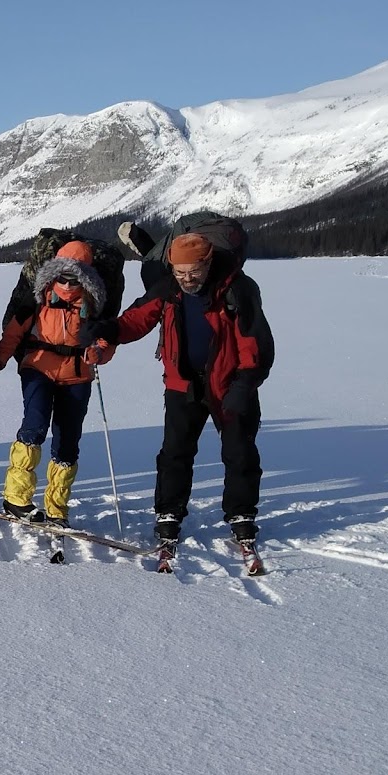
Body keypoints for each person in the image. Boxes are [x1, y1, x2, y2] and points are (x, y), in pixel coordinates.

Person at [85, 231, 275, 550]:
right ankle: (169, 513)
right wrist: (107, 330)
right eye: (180, 272)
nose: (187, 279)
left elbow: (256, 343)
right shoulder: (168, 289)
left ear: (208, 262)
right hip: (182, 383)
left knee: (239, 452)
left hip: (230, 383)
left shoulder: (237, 289)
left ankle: (241, 514)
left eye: (194, 271)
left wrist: (245, 383)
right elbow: (136, 320)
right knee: (175, 453)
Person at [0, 240, 115, 526]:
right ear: (53, 273)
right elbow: (13, 335)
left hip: (77, 375)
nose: (67, 283)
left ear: (86, 276)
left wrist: (99, 352)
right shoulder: (36, 299)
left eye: (74, 277)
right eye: (62, 276)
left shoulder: (94, 307)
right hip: (38, 368)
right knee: (35, 424)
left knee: (68, 441)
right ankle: (16, 498)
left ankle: (56, 508)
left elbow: (106, 338)